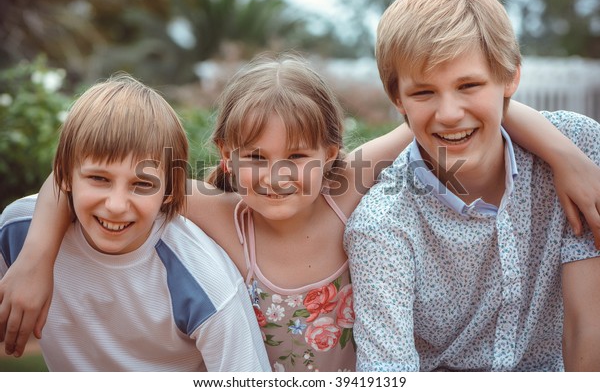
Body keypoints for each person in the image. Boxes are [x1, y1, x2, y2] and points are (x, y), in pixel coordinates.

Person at [2, 53, 600, 371]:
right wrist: (33, 261)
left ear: (331, 155)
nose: (278, 175)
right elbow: (82, 175)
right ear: (229, 157)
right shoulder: (217, 211)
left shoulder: (347, 193)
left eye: (298, 156)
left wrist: (563, 153)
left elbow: (436, 125)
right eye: (255, 157)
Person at [345, 0, 600, 372]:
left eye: (469, 85)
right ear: (397, 99)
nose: (448, 113)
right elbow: (388, 371)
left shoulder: (577, 149)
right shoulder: (383, 222)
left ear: (510, 78)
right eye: (423, 93)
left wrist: (562, 152)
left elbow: (588, 327)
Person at [0, 74, 270, 371]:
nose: (116, 206)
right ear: (64, 175)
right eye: (99, 179)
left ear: (169, 191)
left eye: (142, 185)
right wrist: (34, 260)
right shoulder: (18, 231)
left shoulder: (204, 280)